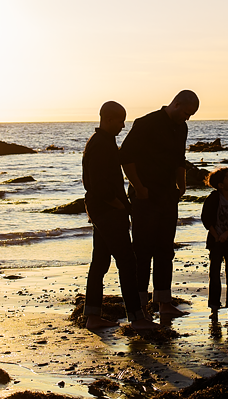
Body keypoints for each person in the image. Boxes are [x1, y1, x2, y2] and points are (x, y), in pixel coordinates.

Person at [120, 90, 199, 316]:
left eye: (191, 115)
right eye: (186, 113)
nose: (188, 118)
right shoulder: (146, 123)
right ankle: (140, 306)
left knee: (165, 250)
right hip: (144, 196)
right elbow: (125, 156)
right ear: (175, 104)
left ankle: (164, 302)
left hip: (167, 196)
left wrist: (181, 185)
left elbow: (178, 159)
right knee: (142, 251)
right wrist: (138, 187)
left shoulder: (181, 127)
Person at [82, 101, 157, 330]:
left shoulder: (103, 142)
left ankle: (93, 316)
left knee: (100, 263)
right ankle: (136, 317)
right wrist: (118, 205)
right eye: (120, 121)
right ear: (108, 119)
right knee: (127, 262)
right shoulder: (101, 145)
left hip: (103, 211)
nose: (123, 126)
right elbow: (96, 185)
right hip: (108, 212)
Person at [201, 167, 228, 316]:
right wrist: (217, 235)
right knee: (214, 273)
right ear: (220, 185)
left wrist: (227, 234)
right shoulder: (213, 198)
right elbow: (206, 219)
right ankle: (214, 307)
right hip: (216, 241)